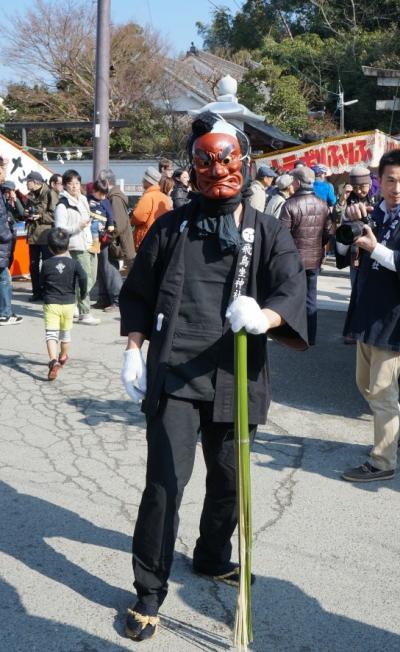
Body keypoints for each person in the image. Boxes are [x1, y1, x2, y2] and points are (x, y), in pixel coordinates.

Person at [119, 111, 308, 641]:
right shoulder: (171, 225)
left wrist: (266, 317)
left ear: (245, 166)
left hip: (236, 376)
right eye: (205, 162)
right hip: (175, 376)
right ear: (192, 166)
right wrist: (134, 349)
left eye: (227, 162)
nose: (216, 172)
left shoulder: (267, 229)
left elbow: (291, 290)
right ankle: (149, 591)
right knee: (165, 486)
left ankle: (210, 555)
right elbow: (137, 292)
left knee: (228, 485)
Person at [338, 150, 400, 482]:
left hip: (393, 321)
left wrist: (375, 249)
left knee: (382, 392)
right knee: (366, 385)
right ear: (380, 181)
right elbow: (343, 252)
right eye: (390, 180)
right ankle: (392, 434)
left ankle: (383, 462)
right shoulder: (374, 213)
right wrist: (348, 224)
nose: (396, 187)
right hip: (366, 315)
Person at [280, 166, 332, 346]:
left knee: (293, 297)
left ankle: (294, 334)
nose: (292, 183)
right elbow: (327, 233)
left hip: (294, 260)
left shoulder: (290, 204)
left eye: (293, 180)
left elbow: (282, 236)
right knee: (311, 298)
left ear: (299, 182)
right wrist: (320, 247)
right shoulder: (322, 204)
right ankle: (311, 336)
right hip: (314, 258)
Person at [39, 227, 87, 380]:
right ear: (67, 246)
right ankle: (63, 356)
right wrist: (83, 293)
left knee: (51, 334)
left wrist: (44, 291)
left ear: (50, 248)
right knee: (65, 333)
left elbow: (41, 283)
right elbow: (84, 277)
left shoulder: (45, 264)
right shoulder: (74, 263)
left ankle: (53, 361)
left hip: (51, 303)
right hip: (69, 303)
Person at [54, 169, 100, 325]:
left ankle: (72, 304)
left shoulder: (83, 199)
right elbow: (60, 229)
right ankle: (85, 313)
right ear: (65, 186)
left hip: (89, 242)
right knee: (84, 278)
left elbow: (88, 218)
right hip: (76, 245)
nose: (74, 186)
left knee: (92, 275)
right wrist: (77, 227)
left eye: (77, 183)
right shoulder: (63, 204)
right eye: (70, 183)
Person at [87, 179, 122, 312]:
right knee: (101, 269)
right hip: (97, 238)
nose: (103, 197)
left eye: (104, 194)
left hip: (107, 238)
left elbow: (116, 221)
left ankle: (116, 300)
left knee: (108, 269)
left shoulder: (113, 199)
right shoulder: (89, 200)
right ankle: (103, 298)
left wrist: (109, 232)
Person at [97, 169, 135, 272]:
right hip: (117, 247)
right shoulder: (112, 197)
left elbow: (118, 225)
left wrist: (103, 238)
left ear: (107, 182)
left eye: (100, 181)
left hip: (119, 247)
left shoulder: (115, 198)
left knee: (115, 282)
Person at [24, 171, 54, 301]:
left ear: (35, 182)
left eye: (28, 181)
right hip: (32, 235)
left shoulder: (49, 193)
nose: (26, 183)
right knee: (33, 265)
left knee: (47, 265)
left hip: (45, 235)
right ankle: (36, 292)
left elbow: (55, 215)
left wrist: (40, 216)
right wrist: (26, 213)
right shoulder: (29, 195)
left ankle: (48, 292)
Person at [0, 157, 23, 326]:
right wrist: (7, 234)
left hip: (4, 245)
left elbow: (20, 213)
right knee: (4, 279)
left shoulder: (4, 195)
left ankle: (5, 311)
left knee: (4, 278)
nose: (3, 174)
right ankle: (5, 313)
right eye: (2, 171)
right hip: (2, 242)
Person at [130, 167, 172, 251]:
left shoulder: (148, 196)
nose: (142, 181)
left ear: (149, 181)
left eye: (144, 179)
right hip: (160, 237)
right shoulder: (164, 197)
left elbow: (138, 217)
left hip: (146, 237)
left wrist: (131, 219)